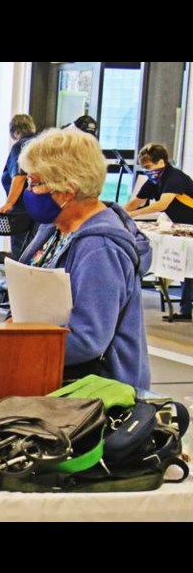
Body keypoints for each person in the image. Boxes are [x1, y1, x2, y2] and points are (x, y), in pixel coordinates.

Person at [18, 127, 150, 388]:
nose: (29, 191)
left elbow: (88, 338)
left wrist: (18, 344)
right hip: (50, 374)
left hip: (92, 392)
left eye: (36, 183)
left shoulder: (101, 247)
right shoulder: (55, 228)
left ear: (67, 190)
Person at [124, 142, 193, 320]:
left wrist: (134, 215)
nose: (146, 171)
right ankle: (186, 309)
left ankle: (186, 308)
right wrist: (118, 213)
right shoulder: (154, 180)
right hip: (183, 225)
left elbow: (162, 204)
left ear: (161, 162)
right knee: (186, 264)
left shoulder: (175, 178)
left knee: (190, 266)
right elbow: (135, 202)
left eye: (148, 167)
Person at [0, 114, 38, 258]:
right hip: (40, 210)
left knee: (20, 255)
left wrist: (9, 203)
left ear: (15, 132)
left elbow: (19, 176)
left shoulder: (20, 146)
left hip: (22, 211)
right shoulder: (41, 144)